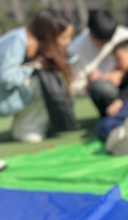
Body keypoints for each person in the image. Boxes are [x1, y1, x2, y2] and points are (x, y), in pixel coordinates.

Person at [0, 9, 74, 142]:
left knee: (51, 75)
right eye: (64, 37)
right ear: (49, 34)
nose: (68, 42)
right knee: (42, 79)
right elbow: (5, 78)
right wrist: (33, 66)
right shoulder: (18, 40)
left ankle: (44, 124)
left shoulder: (34, 40)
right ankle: (26, 128)